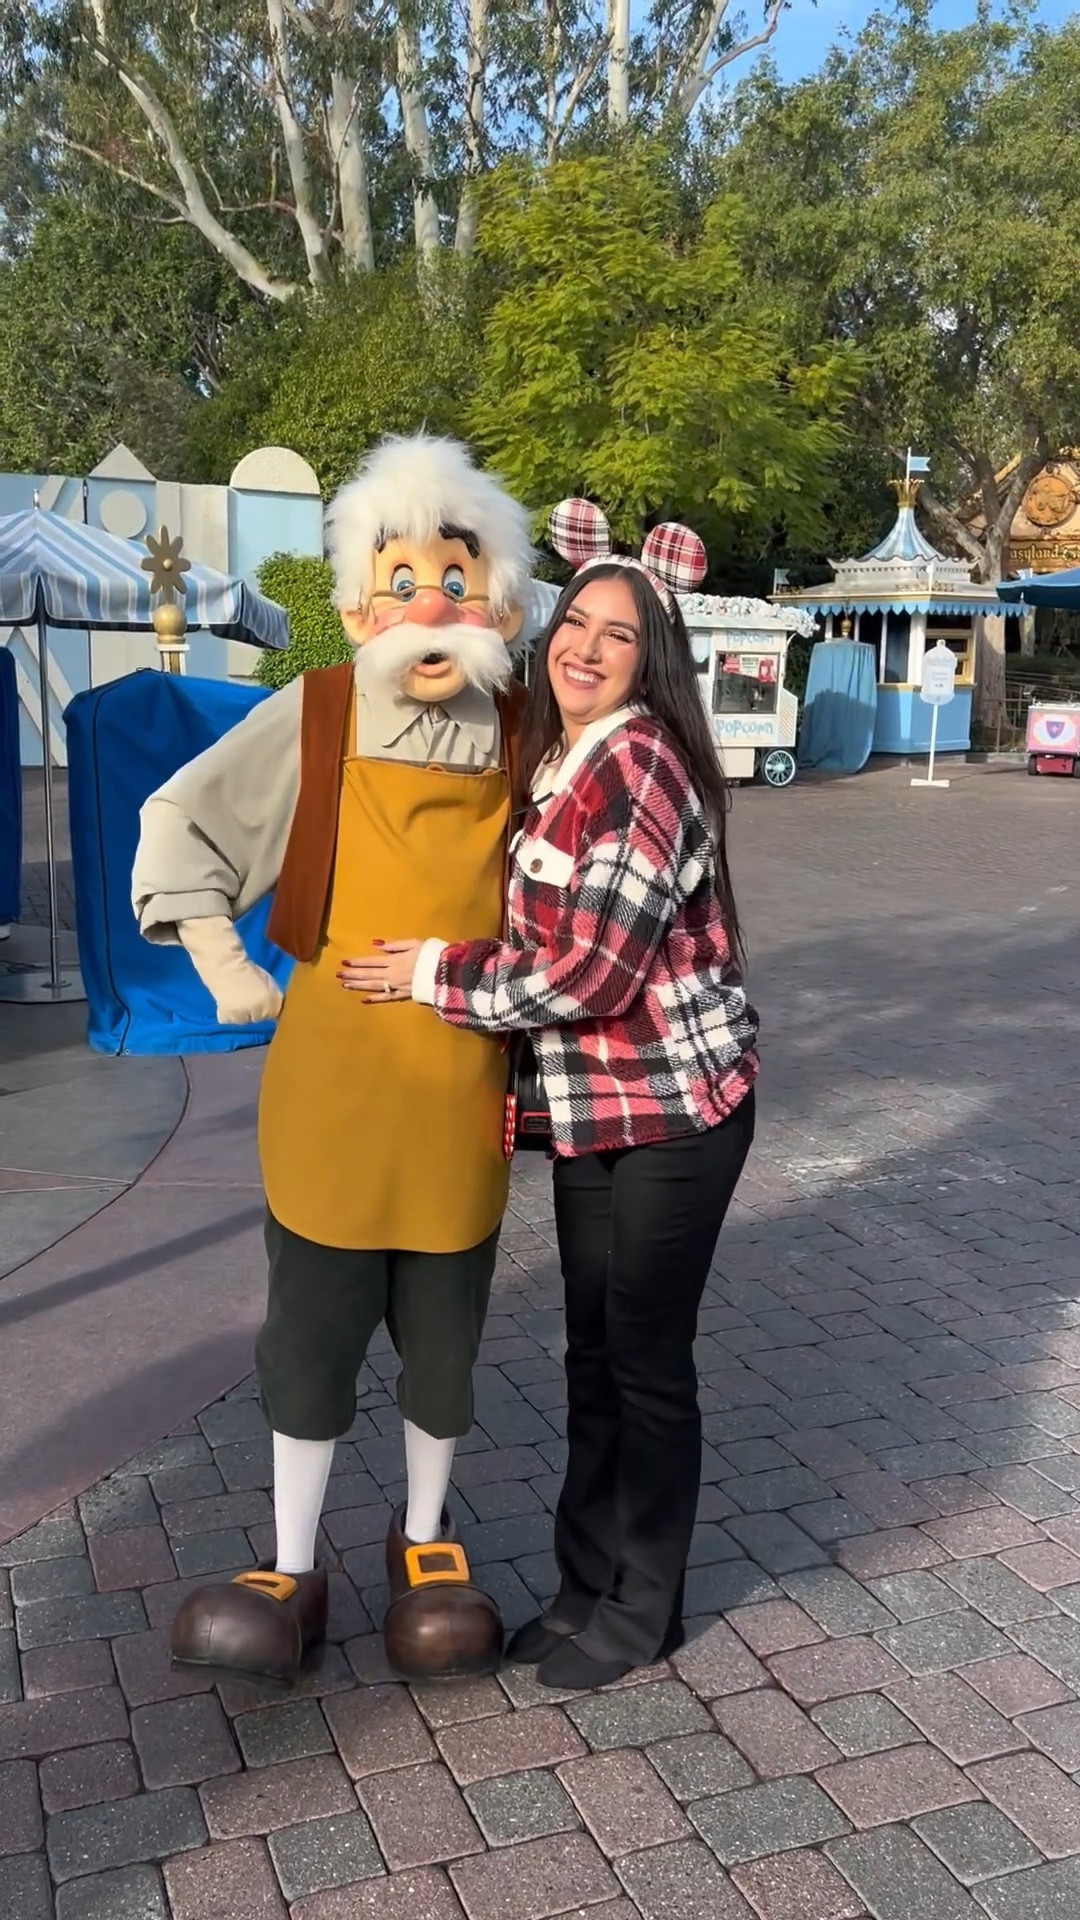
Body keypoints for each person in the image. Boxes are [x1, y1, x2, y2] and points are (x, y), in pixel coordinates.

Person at [131, 434, 537, 1687]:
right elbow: (182, 816)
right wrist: (219, 959)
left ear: (500, 601)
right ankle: (293, 1564)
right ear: (360, 603)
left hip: (460, 1095)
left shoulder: (526, 733)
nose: (433, 605)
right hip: (330, 1094)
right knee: (308, 1337)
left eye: (457, 581)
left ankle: (426, 1541)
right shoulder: (315, 713)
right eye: (404, 581)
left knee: (446, 1344)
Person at [340, 499, 759, 1689]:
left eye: (618, 635)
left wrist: (431, 973)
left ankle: (645, 1607)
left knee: (645, 1362)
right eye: (576, 622)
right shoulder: (559, 759)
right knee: (591, 1355)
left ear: (651, 659)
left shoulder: (643, 765)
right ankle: (585, 1589)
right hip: (594, 1114)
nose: (585, 647)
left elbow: (591, 974)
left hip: (676, 1112)